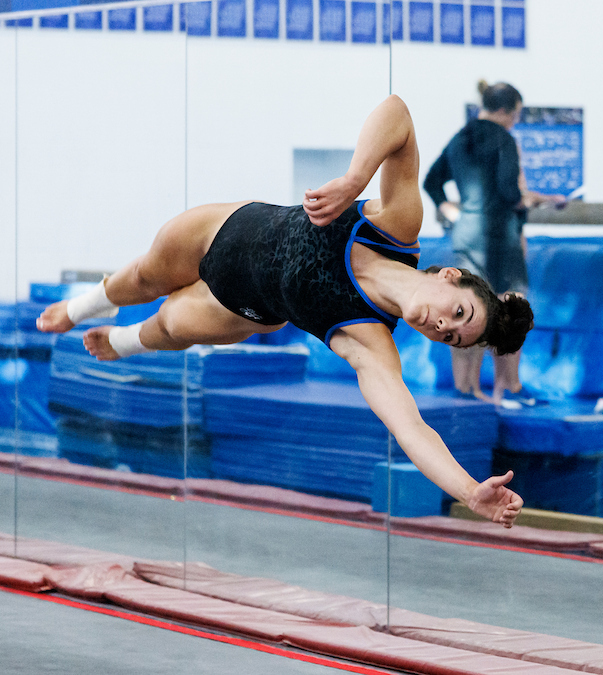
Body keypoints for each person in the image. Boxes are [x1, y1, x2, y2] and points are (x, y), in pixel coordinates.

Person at [35, 95, 529, 527]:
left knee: (170, 326)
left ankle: (121, 342)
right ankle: (81, 306)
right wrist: (354, 181)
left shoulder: (369, 343)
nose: (442, 326)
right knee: (143, 278)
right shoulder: (397, 226)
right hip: (225, 230)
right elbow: (397, 114)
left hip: (247, 305)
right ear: (450, 276)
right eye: (458, 314)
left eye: (450, 338)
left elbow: (411, 427)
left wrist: (468, 491)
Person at [423, 80, 565, 407]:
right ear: (504, 111)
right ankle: (509, 388)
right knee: (511, 310)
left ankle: (467, 390)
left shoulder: (460, 137)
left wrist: (450, 210)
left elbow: (431, 182)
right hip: (500, 238)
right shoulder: (504, 139)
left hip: (467, 237)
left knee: (466, 312)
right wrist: (542, 200)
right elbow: (510, 194)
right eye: (515, 115)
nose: (515, 121)